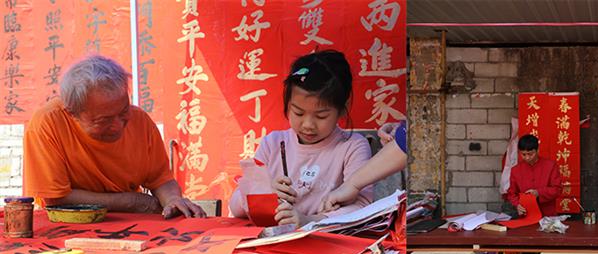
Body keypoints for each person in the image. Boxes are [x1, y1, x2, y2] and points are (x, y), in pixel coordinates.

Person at [23, 55, 205, 218]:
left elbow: (161, 179)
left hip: (130, 224)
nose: (118, 126)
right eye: (104, 120)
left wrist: (172, 199)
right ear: (72, 113)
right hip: (68, 225)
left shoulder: (140, 121)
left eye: (124, 111)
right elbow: (57, 198)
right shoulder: (47, 124)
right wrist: (131, 202)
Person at [230, 50, 373, 226]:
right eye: (298, 113)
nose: (308, 125)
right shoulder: (272, 144)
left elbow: (364, 207)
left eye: (321, 116)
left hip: (325, 240)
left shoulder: (352, 146)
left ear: (343, 108)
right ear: (287, 104)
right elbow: (235, 207)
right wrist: (263, 192)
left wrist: (311, 221)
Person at [319, 121, 407, 213]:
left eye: (321, 117)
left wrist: (318, 218)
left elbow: (407, 141)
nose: (309, 125)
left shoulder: (355, 144)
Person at [506, 134, 562, 218]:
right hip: (526, 214)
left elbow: (557, 189)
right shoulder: (516, 170)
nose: (527, 158)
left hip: (548, 214)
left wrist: (538, 192)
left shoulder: (550, 166)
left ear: (537, 150)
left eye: (530, 154)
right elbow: (512, 193)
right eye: (523, 154)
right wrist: (517, 204)